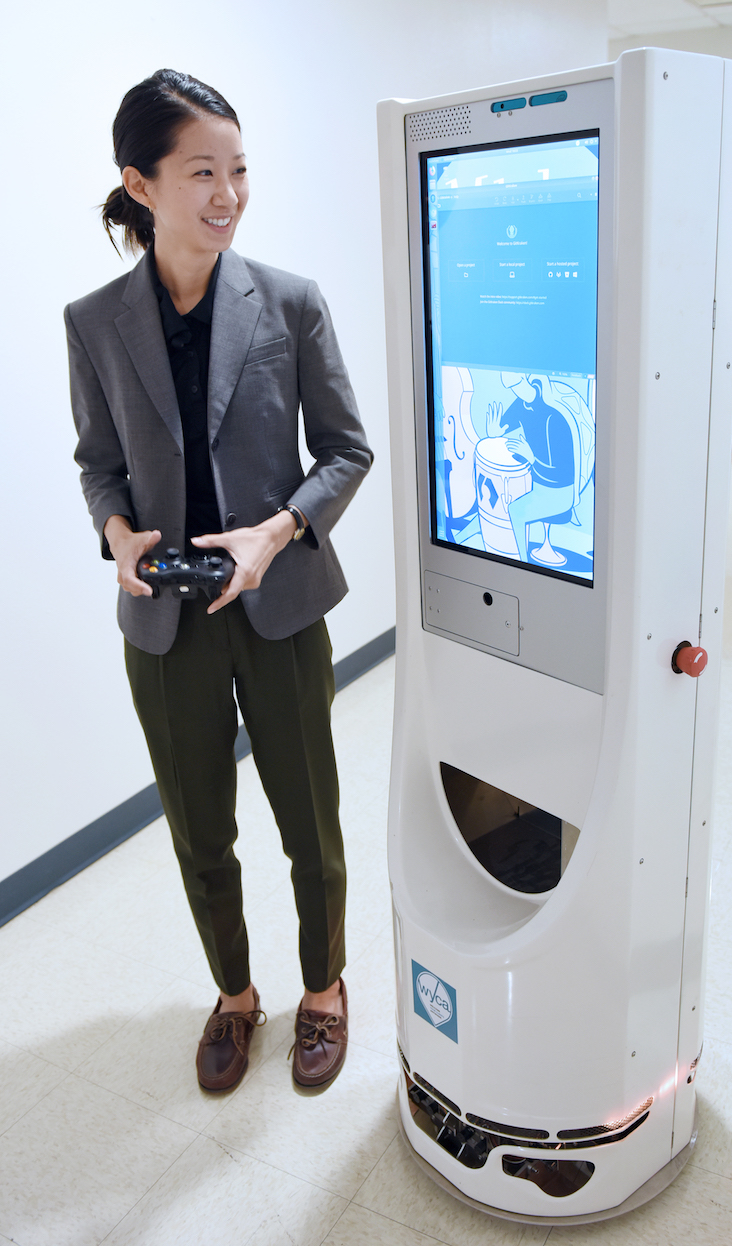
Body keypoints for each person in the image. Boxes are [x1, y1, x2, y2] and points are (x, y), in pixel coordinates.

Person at [65, 69, 372, 1093]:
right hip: (163, 617)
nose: (227, 193)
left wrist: (273, 532)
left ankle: (322, 989)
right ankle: (236, 996)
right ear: (140, 183)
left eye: (237, 170)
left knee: (307, 816)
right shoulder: (94, 320)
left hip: (278, 605)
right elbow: (96, 460)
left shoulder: (288, 302)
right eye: (201, 171)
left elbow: (344, 450)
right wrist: (113, 531)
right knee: (200, 825)